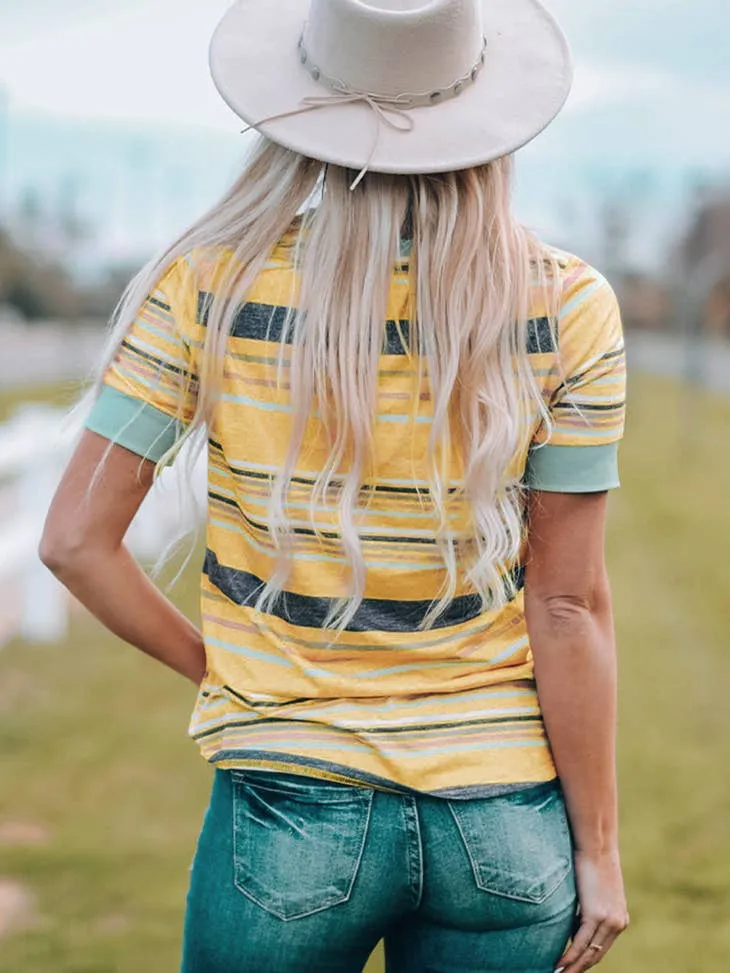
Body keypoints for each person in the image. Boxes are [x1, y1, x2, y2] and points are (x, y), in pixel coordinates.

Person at [40, 0, 630, 971]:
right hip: (504, 828)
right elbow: (567, 604)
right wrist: (597, 853)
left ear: (303, 110)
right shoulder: (567, 303)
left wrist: (221, 672)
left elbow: (72, 542)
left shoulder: (207, 285)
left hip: (286, 815)